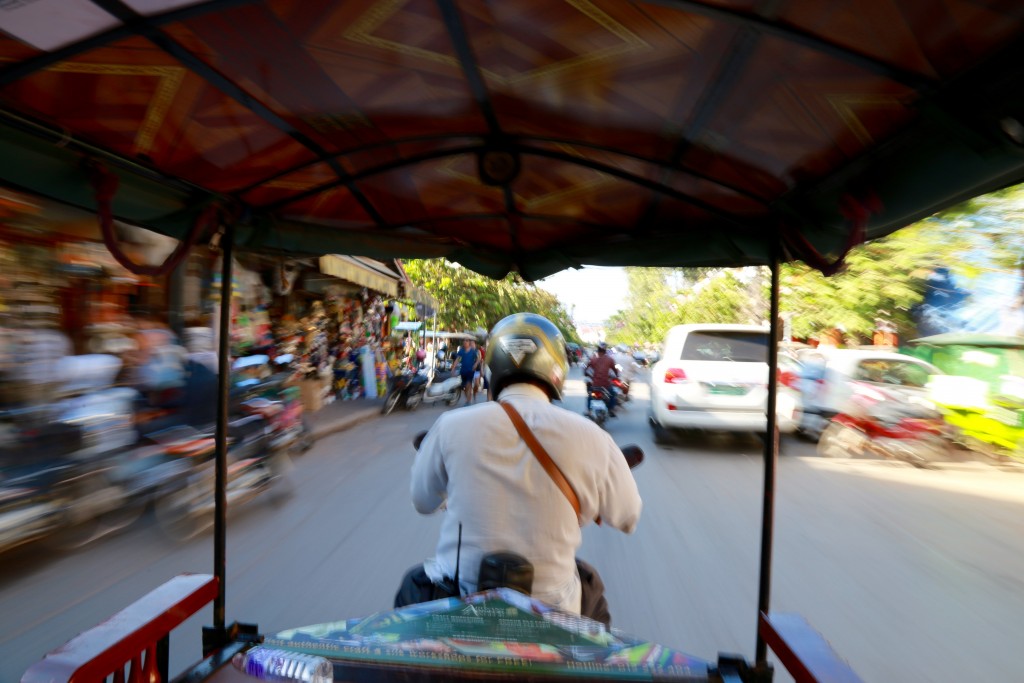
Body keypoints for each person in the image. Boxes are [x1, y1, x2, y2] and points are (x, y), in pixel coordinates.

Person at [396, 313, 642, 625]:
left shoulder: (451, 426)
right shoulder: (593, 436)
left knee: (411, 586)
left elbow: (422, 501)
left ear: (493, 365)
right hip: (556, 608)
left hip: (459, 595)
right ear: (556, 368)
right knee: (591, 591)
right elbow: (628, 516)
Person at [585, 342, 618, 417]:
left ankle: (588, 410)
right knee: (612, 394)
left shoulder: (593, 359)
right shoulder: (610, 360)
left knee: (590, 395)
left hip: (595, 385)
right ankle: (611, 410)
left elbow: (586, 369)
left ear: (598, 350)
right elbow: (615, 370)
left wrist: (588, 375)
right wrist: (616, 375)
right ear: (605, 351)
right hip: (606, 385)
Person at [454, 338, 480, 404]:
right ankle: (468, 398)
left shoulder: (473, 351)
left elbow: (478, 359)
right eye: (464, 341)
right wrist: (453, 368)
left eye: (467, 341)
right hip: (463, 371)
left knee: (468, 385)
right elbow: (457, 360)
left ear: (469, 343)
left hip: (470, 371)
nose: (465, 342)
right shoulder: (461, 351)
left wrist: (475, 364)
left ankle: (468, 401)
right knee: (465, 387)